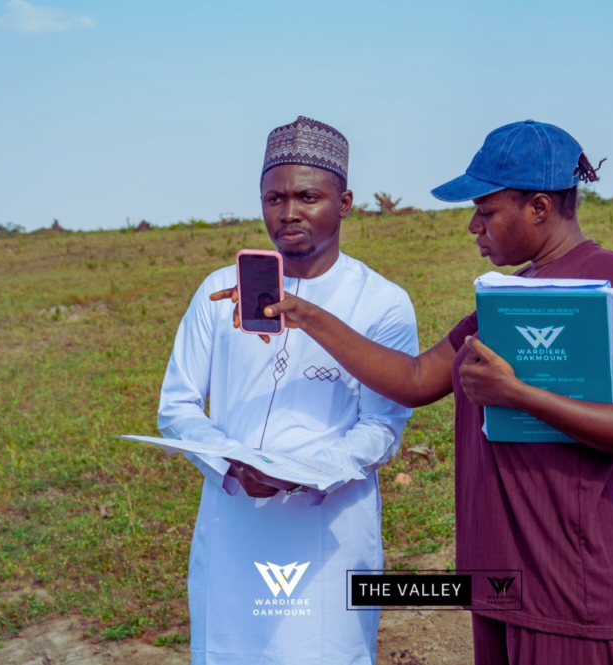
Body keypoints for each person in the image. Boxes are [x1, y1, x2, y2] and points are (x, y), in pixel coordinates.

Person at [230, 120, 613, 665]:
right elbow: (417, 379)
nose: (473, 226)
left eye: (486, 211)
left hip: (568, 581)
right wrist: (306, 315)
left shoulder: (608, 279)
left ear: (539, 207)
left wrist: (520, 395)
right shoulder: (508, 294)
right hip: (499, 580)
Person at [158, 116, 419, 665]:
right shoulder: (218, 292)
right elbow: (177, 405)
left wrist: (308, 472)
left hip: (329, 529)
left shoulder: (382, 302)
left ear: (344, 203)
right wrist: (231, 463)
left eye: (308, 197)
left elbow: (382, 425)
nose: (289, 212)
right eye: (274, 198)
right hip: (234, 520)